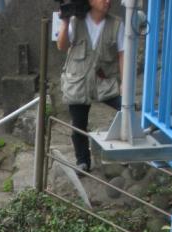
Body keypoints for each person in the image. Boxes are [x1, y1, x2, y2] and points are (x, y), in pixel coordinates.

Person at [57, 0, 124, 173]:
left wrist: (124, 83)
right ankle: (82, 161)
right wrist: (64, 22)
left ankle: (123, 151)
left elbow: (122, 55)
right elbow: (61, 46)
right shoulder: (75, 20)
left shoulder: (117, 24)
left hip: (105, 80)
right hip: (78, 79)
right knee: (78, 124)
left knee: (126, 108)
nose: (107, 2)